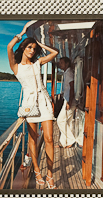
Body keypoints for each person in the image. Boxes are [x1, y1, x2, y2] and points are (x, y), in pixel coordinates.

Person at [7, 25, 59, 189]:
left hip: (43, 102)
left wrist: (39, 43)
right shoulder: (16, 67)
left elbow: (55, 53)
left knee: (49, 139)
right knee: (33, 139)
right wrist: (21, 34)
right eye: (29, 47)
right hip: (29, 105)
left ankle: (50, 175)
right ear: (23, 48)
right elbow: (9, 47)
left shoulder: (38, 63)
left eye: (34, 48)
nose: (31, 50)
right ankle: (37, 171)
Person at [56, 57, 77, 149]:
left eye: (61, 63)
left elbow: (72, 87)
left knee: (60, 120)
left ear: (67, 64)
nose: (60, 64)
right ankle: (63, 143)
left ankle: (71, 140)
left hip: (69, 100)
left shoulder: (69, 73)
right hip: (67, 99)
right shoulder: (66, 72)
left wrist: (69, 101)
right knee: (66, 122)